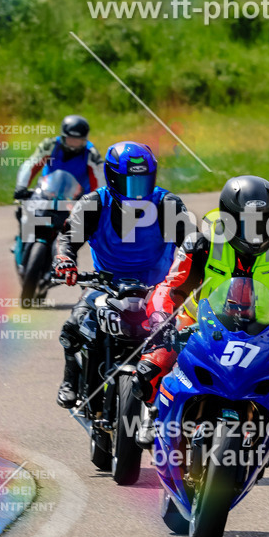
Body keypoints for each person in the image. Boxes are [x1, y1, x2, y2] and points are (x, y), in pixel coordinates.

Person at [133, 175, 269, 444]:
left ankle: (258, 445)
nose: (254, 229)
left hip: (265, 339)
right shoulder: (201, 245)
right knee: (148, 372)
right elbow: (169, 288)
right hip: (196, 328)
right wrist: (162, 319)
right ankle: (153, 414)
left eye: (262, 220)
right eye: (245, 220)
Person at [53, 141, 189, 409]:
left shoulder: (167, 204)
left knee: (181, 340)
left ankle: (166, 404)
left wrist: (191, 277)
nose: (137, 191)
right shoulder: (93, 204)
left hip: (158, 289)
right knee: (73, 328)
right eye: (130, 183)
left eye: (143, 182)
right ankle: (70, 378)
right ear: (112, 178)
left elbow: (191, 247)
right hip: (105, 284)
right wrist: (65, 260)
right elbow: (68, 239)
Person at [14, 115, 104, 201]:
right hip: (47, 195)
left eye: (78, 140)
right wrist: (21, 186)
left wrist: (98, 198)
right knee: (25, 212)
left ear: (84, 140)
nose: (73, 144)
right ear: (63, 137)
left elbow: (100, 177)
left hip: (79, 200)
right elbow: (31, 164)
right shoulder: (50, 146)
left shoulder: (91, 153)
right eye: (70, 139)